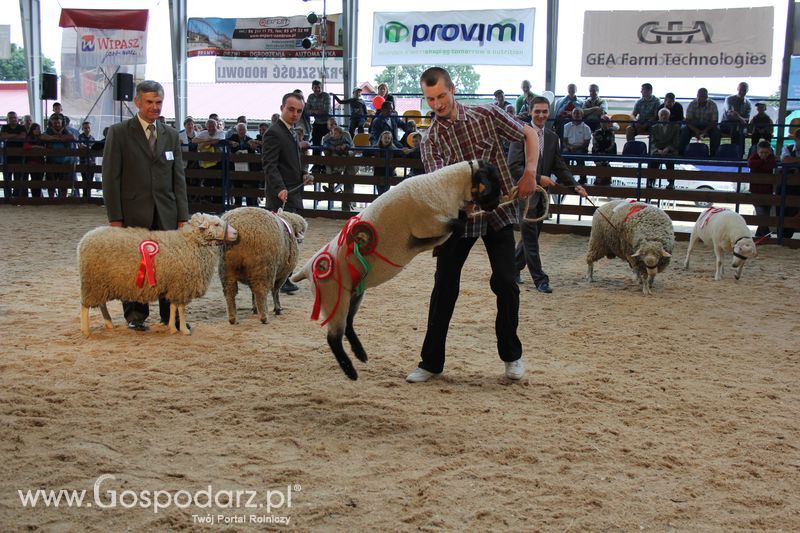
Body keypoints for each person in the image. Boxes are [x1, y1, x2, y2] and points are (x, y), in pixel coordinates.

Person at [405, 66, 540, 384]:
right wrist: (461, 200)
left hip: (498, 214)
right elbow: (441, 185)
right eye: (429, 99)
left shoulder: (487, 115)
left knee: (507, 283)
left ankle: (512, 356)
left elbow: (529, 134)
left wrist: (530, 172)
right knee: (444, 287)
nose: (436, 104)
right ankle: (431, 362)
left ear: (452, 89)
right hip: (460, 219)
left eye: (440, 96)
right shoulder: (430, 140)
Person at [101, 79, 189, 332]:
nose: (155, 107)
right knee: (134, 265)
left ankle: (170, 314)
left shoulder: (171, 135)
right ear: (137, 102)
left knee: (170, 267)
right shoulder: (118, 133)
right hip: (132, 213)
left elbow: (178, 179)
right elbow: (110, 178)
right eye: (149, 102)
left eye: (158, 102)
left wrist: (182, 215)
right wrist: (115, 218)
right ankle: (135, 315)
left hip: (167, 214)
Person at [508, 96, 588, 294]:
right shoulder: (520, 134)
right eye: (537, 111)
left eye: (545, 111)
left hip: (543, 195)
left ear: (549, 112)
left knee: (531, 235)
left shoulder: (552, 137)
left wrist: (574, 185)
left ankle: (512, 268)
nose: (541, 115)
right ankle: (540, 280)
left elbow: (559, 165)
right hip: (525, 193)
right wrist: (538, 178)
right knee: (530, 237)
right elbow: (514, 166)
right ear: (530, 112)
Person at [263, 92, 315, 293]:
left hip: (292, 192)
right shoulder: (274, 132)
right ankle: (278, 279)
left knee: (291, 238)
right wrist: (280, 188)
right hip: (281, 195)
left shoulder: (291, 131)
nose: (295, 114)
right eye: (291, 109)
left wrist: (303, 173)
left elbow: (293, 162)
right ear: (282, 108)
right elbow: (269, 165)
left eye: (299, 111)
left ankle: (283, 278)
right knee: (281, 239)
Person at [40, 113, 76, 199]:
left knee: (64, 182)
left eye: (58, 122)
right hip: (52, 161)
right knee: (51, 182)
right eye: (54, 122)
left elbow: (72, 137)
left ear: (62, 122)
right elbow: (43, 137)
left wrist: (59, 136)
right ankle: (51, 199)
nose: (56, 124)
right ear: (51, 122)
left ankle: (63, 199)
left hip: (66, 161)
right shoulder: (48, 130)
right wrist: (57, 138)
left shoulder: (66, 130)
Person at [747, 140, 776, 238]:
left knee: (765, 216)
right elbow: (751, 164)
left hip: (768, 192)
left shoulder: (771, 158)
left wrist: (760, 163)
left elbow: (771, 165)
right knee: (761, 215)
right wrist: (763, 162)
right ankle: (767, 237)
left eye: (766, 153)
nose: (764, 155)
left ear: (770, 152)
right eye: (761, 153)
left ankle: (758, 235)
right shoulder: (753, 157)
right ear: (757, 151)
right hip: (756, 192)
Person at [680, 87, 720, 156]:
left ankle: (714, 156)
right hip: (694, 126)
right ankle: (682, 154)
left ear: (707, 97)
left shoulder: (713, 104)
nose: (700, 98)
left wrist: (705, 130)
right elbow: (688, 121)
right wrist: (696, 130)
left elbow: (714, 121)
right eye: (699, 96)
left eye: (702, 97)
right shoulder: (692, 104)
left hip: (708, 126)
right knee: (684, 130)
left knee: (716, 131)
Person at [647, 108, 681, 188]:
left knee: (670, 160)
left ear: (669, 116)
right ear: (659, 117)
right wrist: (657, 150)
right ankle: (650, 181)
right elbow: (652, 142)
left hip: (670, 150)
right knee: (653, 159)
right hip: (657, 150)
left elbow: (676, 142)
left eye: (665, 115)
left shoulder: (675, 127)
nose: (664, 117)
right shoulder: (653, 127)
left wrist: (668, 148)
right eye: (662, 115)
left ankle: (671, 183)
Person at [227, 122, 256, 206]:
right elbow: (225, 141)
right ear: (236, 130)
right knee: (237, 187)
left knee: (248, 187)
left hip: (247, 167)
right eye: (240, 129)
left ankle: (249, 207)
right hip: (235, 166)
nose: (241, 131)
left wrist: (252, 148)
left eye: (243, 129)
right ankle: (237, 206)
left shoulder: (249, 139)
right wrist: (231, 143)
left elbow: (252, 151)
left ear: (246, 130)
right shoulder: (233, 137)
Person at [1, 111, 28, 198]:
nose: (13, 119)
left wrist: (10, 136)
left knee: (18, 177)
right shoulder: (4, 127)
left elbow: (23, 137)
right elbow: (3, 136)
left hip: (19, 155)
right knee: (7, 177)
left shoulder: (22, 127)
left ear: (17, 119)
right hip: (7, 156)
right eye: (11, 118)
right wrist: (17, 135)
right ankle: (7, 197)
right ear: (7, 119)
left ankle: (16, 197)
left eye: (15, 118)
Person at [778, 129, 800, 238]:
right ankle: (783, 236)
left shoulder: (789, 149)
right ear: (796, 139)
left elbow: (787, 160)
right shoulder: (788, 148)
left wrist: (794, 161)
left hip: (795, 186)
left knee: (794, 210)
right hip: (787, 186)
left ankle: (785, 237)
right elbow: (784, 160)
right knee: (783, 210)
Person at [721, 82, 751, 158]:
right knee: (737, 128)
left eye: (744, 90)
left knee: (740, 129)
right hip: (726, 123)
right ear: (737, 89)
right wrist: (741, 119)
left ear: (747, 91)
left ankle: (738, 154)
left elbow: (747, 119)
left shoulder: (748, 103)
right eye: (741, 89)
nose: (742, 91)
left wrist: (738, 117)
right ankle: (736, 153)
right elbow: (730, 113)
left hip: (739, 124)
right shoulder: (729, 99)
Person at [562, 107, 592, 184]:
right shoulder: (566, 126)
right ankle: (564, 178)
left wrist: (576, 147)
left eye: (578, 113)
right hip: (569, 147)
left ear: (582, 115)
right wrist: (569, 147)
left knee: (579, 156)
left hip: (581, 148)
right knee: (564, 156)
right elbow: (564, 140)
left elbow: (586, 143)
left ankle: (583, 178)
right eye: (575, 113)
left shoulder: (586, 128)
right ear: (572, 115)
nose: (576, 115)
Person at [372, 130, 401, 195]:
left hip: (389, 173)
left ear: (391, 140)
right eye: (385, 138)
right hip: (378, 173)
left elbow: (400, 155)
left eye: (389, 138)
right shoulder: (376, 148)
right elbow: (366, 153)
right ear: (381, 138)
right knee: (380, 191)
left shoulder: (393, 149)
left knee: (386, 192)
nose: (387, 139)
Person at [591, 115, 617, 186]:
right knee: (599, 164)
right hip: (598, 153)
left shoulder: (611, 133)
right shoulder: (596, 132)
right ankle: (598, 181)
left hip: (607, 153)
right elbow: (595, 145)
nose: (603, 124)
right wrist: (600, 152)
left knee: (606, 165)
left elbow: (612, 144)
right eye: (602, 122)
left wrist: (606, 151)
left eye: (605, 122)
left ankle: (607, 181)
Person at [23, 123, 45, 198]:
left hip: (40, 161)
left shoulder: (41, 138)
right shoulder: (29, 138)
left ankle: (38, 196)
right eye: (36, 129)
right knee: (34, 178)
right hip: (31, 161)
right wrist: (36, 146)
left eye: (39, 129)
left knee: (39, 179)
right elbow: (26, 146)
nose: (38, 131)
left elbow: (45, 148)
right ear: (32, 130)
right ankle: (35, 196)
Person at [77, 121, 96, 199]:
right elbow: (80, 145)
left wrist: (87, 147)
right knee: (84, 179)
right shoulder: (80, 137)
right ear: (82, 129)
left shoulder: (92, 138)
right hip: (83, 161)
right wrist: (89, 148)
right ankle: (85, 197)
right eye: (85, 128)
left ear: (90, 128)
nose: (87, 129)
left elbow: (93, 148)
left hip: (92, 162)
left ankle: (89, 196)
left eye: (88, 127)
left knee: (90, 180)